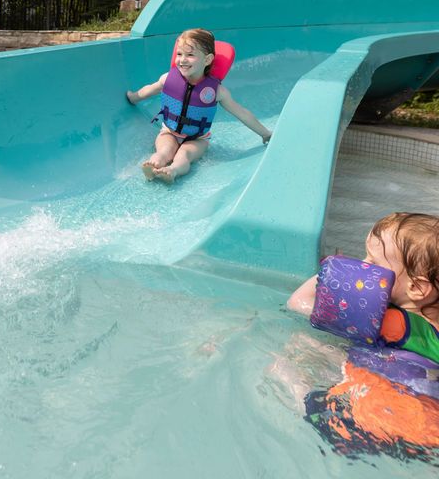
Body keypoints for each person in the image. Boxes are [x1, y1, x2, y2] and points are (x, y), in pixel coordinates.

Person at [285, 213, 439, 455]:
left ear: (417, 288)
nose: (363, 266)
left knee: (293, 356)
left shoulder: (389, 321)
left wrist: (334, 272)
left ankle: (296, 390)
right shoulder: (429, 327)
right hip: (423, 419)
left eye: (373, 263)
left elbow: (298, 302)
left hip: (372, 415)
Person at [126, 28, 271, 184]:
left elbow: (241, 113)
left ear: (207, 60)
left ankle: (172, 171)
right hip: (169, 131)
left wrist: (265, 133)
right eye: (179, 54)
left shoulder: (216, 91)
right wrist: (133, 97)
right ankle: (154, 165)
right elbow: (149, 89)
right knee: (164, 151)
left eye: (190, 55)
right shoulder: (168, 78)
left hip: (198, 139)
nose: (182, 60)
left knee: (184, 155)